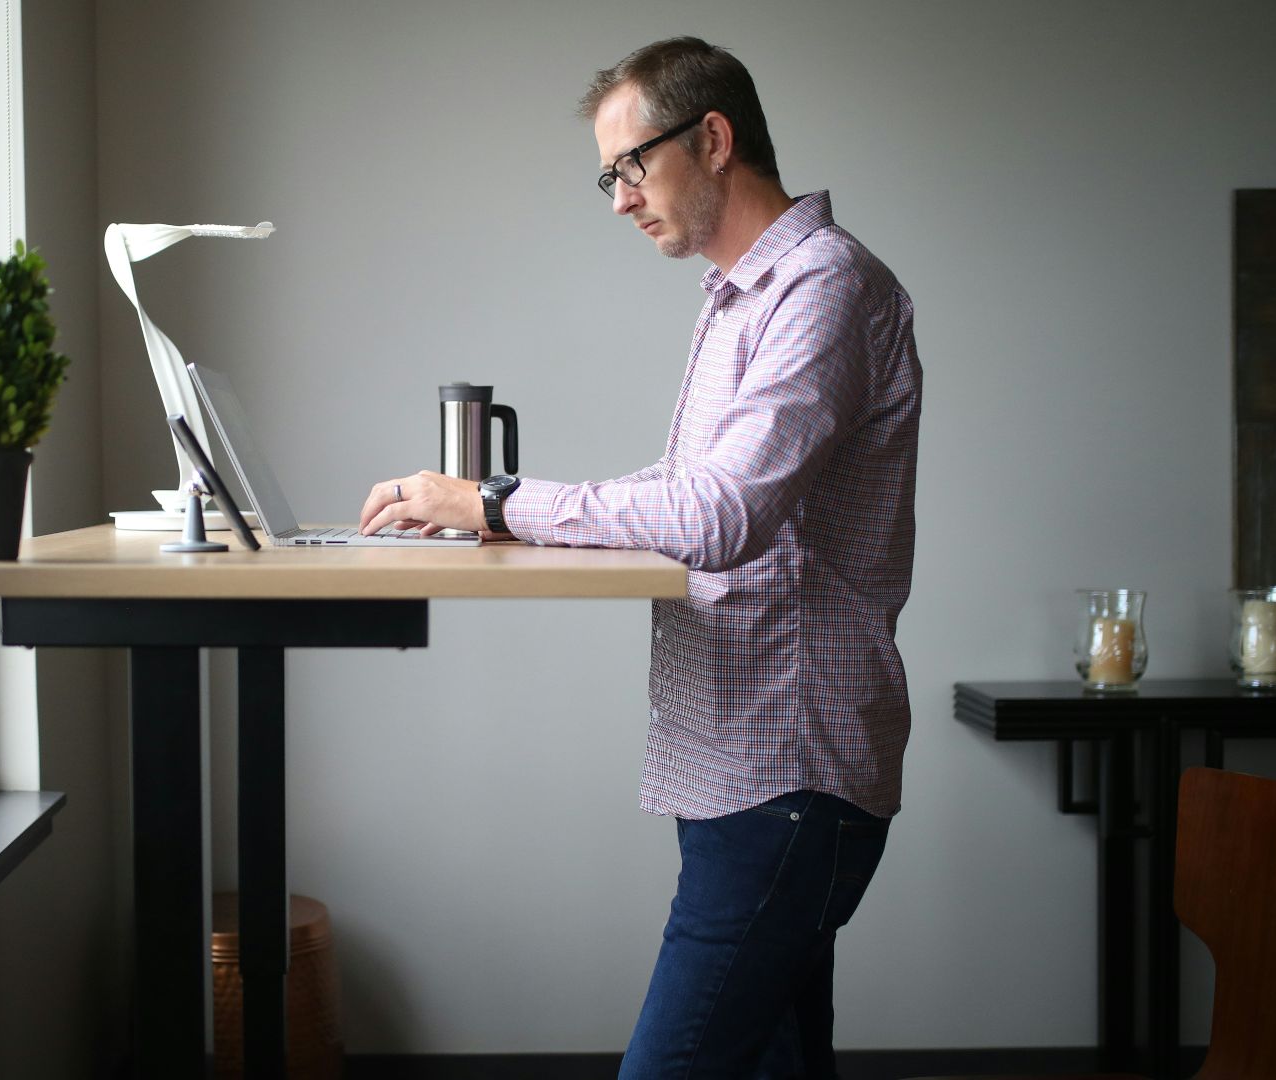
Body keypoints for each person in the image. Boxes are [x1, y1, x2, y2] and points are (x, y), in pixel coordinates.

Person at [358, 36, 921, 1079]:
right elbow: (683, 493)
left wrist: (493, 497)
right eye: (607, 175)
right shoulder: (744, 296)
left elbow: (715, 516)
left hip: (783, 772)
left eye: (631, 166)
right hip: (741, 764)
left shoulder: (822, 289)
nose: (618, 198)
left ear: (713, 139)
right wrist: (496, 516)